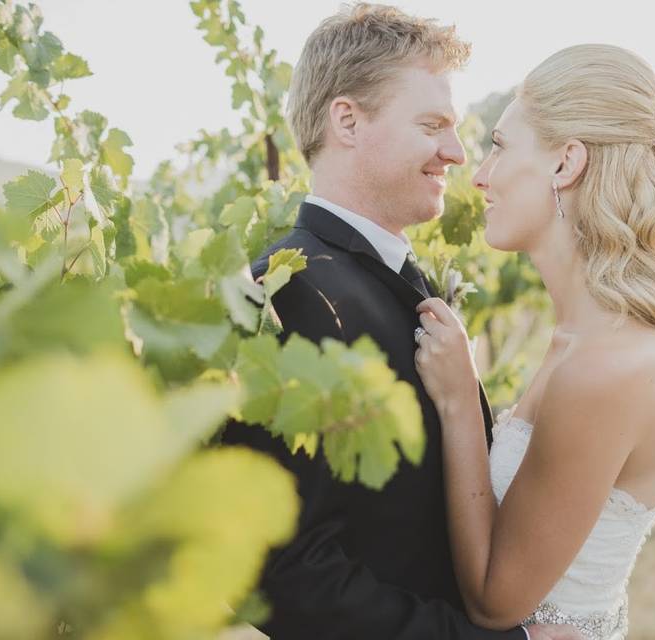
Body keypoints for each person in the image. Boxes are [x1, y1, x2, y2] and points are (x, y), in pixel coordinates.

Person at [219, 4, 586, 639]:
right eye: (431, 124)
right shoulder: (287, 294)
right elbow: (281, 569)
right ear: (347, 121)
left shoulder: (383, 275)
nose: (456, 151)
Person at [411, 44, 655, 640]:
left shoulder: (609, 365)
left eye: (500, 146)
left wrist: (460, 402)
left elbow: (494, 602)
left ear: (565, 164)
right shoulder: (580, 338)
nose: (479, 174)